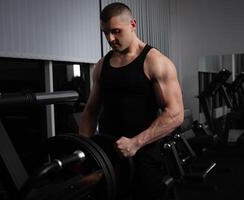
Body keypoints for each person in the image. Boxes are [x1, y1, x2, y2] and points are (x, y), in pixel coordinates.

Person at [79, 2, 184, 200]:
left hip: (143, 155)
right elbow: (91, 110)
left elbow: (175, 114)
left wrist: (135, 143)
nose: (110, 39)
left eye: (116, 31)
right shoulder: (102, 65)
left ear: (133, 24)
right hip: (107, 153)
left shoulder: (156, 62)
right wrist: (84, 147)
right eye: (106, 33)